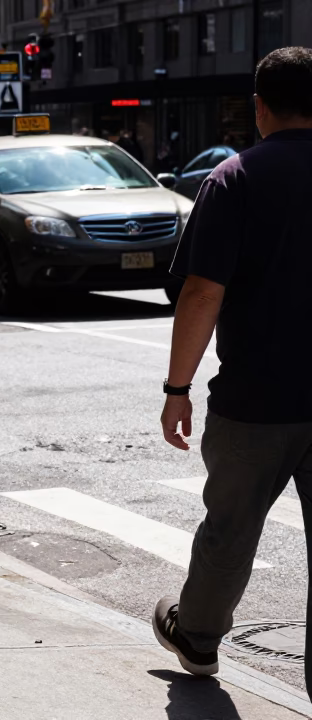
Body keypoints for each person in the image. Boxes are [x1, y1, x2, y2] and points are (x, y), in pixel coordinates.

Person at [156, 47, 312, 686]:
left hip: (256, 398)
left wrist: (177, 388)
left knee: (231, 526)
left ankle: (197, 638)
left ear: (259, 107)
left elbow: (201, 293)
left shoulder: (233, 178)